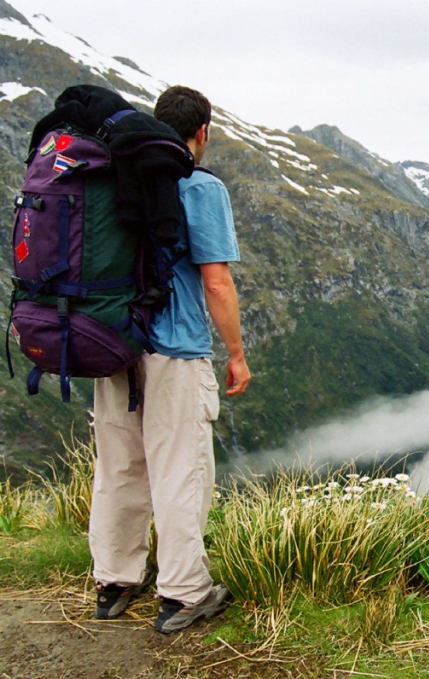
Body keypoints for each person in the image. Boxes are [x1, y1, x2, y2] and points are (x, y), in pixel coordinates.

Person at [88, 85, 251, 633]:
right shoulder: (200, 186)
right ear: (202, 131)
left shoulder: (115, 175)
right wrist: (236, 354)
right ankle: (184, 593)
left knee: (118, 467)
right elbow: (217, 281)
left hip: (112, 344)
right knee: (180, 470)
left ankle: (114, 581)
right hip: (175, 352)